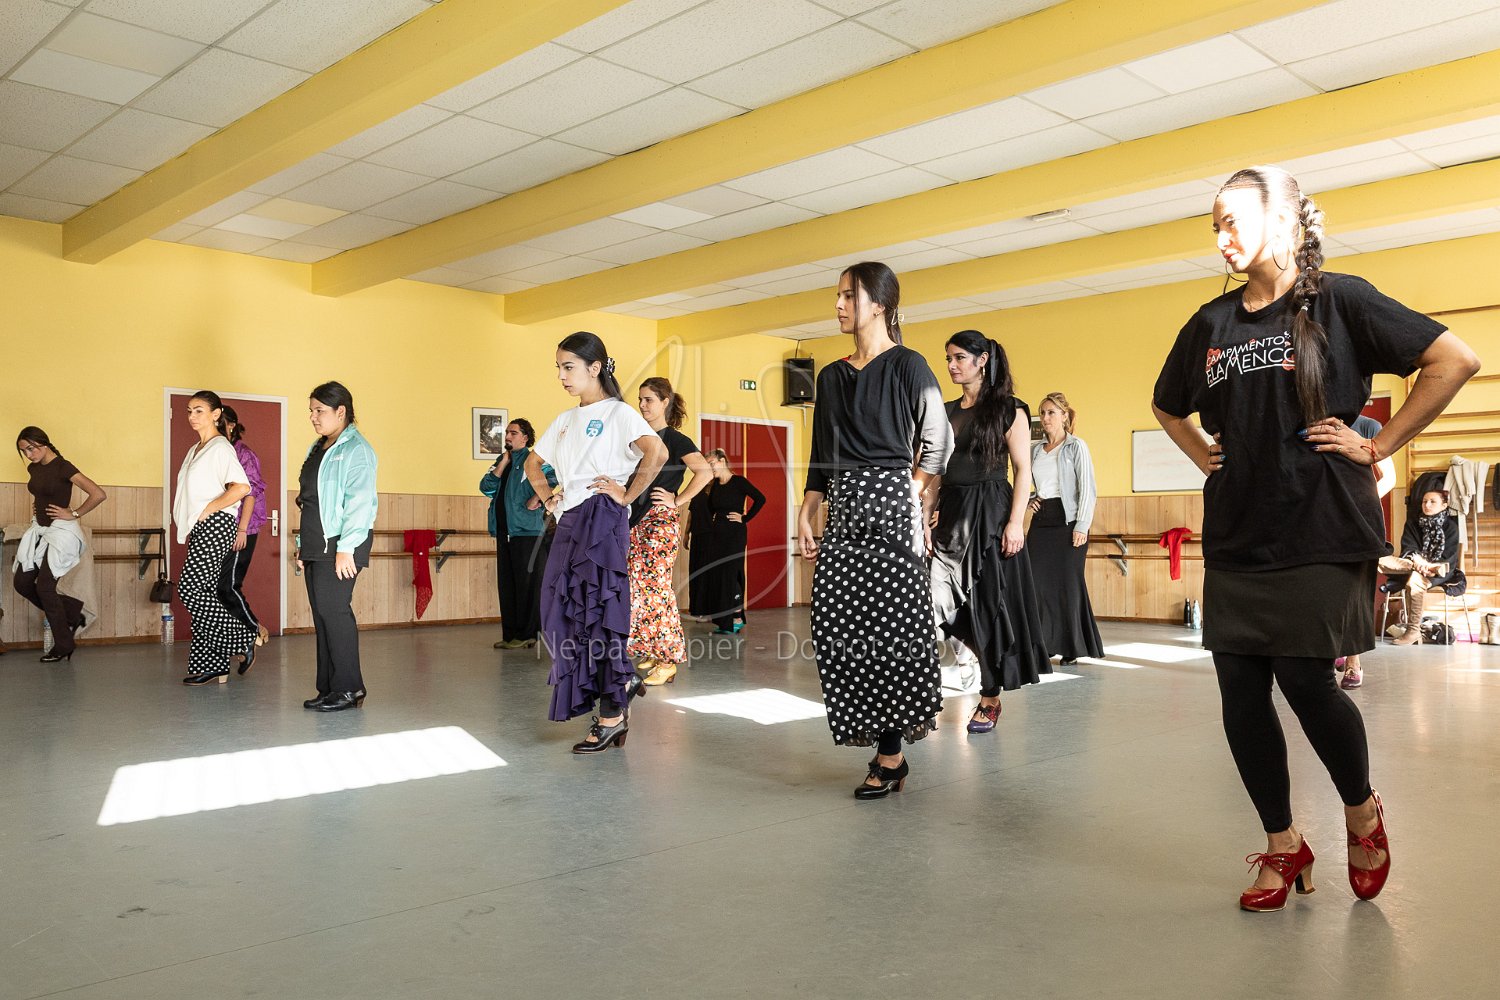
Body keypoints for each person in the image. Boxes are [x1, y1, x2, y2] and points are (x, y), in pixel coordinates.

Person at [1152, 164, 1479, 912]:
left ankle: (1360, 813)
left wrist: (1379, 443)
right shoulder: (1210, 324)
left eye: (1233, 221)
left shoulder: (1342, 301)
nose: (1221, 238)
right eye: (1214, 226)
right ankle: (1283, 844)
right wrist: (1203, 454)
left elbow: (1454, 359)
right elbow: (1169, 404)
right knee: (1241, 691)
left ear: (1284, 222)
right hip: (1239, 529)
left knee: (1306, 681)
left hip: (1322, 525)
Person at [796, 261, 952, 799]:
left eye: (849, 296)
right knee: (838, 626)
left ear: (880, 304)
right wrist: (807, 510)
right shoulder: (830, 376)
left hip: (892, 502)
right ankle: (883, 746)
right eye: (837, 296)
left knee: (892, 631)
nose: (839, 305)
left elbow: (938, 441)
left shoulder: (910, 365)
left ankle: (890, 755)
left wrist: (910, 492)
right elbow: (822, 454)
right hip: (843, 505)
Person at [527, 332, 666, 753]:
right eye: (558, 367)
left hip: (602, 517)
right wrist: (549, 499)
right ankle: (622, 681)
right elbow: (534, 463)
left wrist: (626, 495)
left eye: (568, 367)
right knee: (561, 614)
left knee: (601, 615)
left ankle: (611, 715)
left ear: (595, 368)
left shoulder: (620, 413)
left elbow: (656, 453)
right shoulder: (564, 420)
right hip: (570, 519)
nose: (561, 376)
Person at [925, 331, 1051, 735]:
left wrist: (1015, 522)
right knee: (933, 601)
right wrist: (926, 513)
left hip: (992, 513)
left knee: (986, 608)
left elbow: (1023, 470)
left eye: (959, 357)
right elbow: (936, 471)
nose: (951, 365)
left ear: (982, 360)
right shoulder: (945, 411)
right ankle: (929, 688)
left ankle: (990, 696)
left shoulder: (1010, 409)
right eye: (948, 359)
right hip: (951, 514)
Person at [296, 382, 378, 711]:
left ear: (340, 411)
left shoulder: (357, 449)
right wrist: (303, 545)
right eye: (311, 410)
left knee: (335, 611)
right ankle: (329, 688)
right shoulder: (318, 447)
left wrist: (347, 547)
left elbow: (360, 502)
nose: (313, 417)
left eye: (319, 410)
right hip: (317, 542)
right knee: (322, 615)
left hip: (342, 543)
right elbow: (310, 501)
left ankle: (349, 688)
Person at [171, 392, 259, 685]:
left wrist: (209, 509)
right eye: (189, 411)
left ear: (216, 414)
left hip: (215, 524)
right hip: (201, 527)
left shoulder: (221, 447)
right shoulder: (195, 449)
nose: (192, 416)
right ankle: (214, 665)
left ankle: (244, 638)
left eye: (199, 410)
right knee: (206, 592)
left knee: (190, 589)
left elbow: (242, 487)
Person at [630, 377, 711, 686]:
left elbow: (704, 471)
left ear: (665, 402)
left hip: (659, 522)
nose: (642, 405)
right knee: (640, 590)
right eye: (640, 399)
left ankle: (668, 660)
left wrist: (677, 500)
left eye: (648, 399)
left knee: (656, 590)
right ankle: (653, 650)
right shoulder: (639, 440)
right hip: (635, 522)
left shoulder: (676, 440)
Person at [12, 427, 106, 663]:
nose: (29, 455)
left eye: (31, 448)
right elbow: (42, 492)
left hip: (62, 532)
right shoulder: (34, 468)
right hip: (40, 530)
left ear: (43, 443)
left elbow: (98, 493)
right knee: (22, 583)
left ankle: (63, 645)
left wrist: (74, 513)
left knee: (45, 587)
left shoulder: (64, 467)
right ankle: (73, 612)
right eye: (24, 451)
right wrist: (39, 506)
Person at [1027, 392, 1103, 665]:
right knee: (1036, 583)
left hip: (1069, 522)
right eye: (1042, 412)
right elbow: (1029, 482)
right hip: (1041, 522)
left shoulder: (1075, 447)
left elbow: (1087, 488)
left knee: (1068, 585)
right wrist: (1029, 499)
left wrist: (1082, 525)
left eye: (1051, 412)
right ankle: (1045, 643)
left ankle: (1071, 646)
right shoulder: (1035, 450)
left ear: (1064, 416)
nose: (1045, 417)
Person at [1334, 413, 1395, 688]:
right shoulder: (1309, 420)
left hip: (1357, 518)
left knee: (1354, 589)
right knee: (1325, 588)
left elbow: (1389, 477)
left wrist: (1359, 501)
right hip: (1319, 516)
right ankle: (1333, 649)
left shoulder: (1368, 426)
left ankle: (1353, 661)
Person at [480, 419, 552, 650]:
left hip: (527, 532)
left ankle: (529, 634)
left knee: (528, 586)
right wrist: (502, 463)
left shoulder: (534, 460)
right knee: (507, 585)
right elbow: (486, 487)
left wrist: (538, 497)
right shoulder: (503, 461)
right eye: (507, 433)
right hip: (504, 532)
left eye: (513, 433)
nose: (508, 437)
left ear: (525, 437)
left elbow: (553, 478)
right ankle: (510, 634)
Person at [1380, 487, 1464, 646]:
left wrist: (1430, 567)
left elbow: (1449, 558)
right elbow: (1408, 547)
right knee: (1377, 559)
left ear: (1444, 505)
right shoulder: (1412, 523)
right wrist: (1418, 561)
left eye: (1432, 502)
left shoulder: (1451, 527)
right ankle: (1419, 566)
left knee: (1416, 581)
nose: (1427, 505)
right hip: (1412, 564)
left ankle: (1413, 631)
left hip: (1440, 570)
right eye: (1425, 501)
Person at [698, 448, 766, 635]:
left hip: (734, 535)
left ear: (722, 461)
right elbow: (710, 508)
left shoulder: (739, 482)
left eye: (711, 464)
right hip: (717, 535)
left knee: (731, 575)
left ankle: (736, 617)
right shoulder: (714, 486)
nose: (710, 468)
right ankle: (724, 621)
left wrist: (745, 518)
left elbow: (761, 499)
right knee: (719, 576)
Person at [217, 405, 269, 648]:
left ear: (231, 426)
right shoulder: (219, 451)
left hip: (242, 527)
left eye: (220, 423)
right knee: (217, 588)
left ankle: (254, 629)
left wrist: (242, 530)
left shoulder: (244, 454)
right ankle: (236, 638)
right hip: (222, 526)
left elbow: (251, 493)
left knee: (229, 585)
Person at [684, 488, 713, 621]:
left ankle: (710, 610)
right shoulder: (697, 493)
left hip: (712, 537)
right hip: (697, 536)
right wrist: (686, 534)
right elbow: (691, 516)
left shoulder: (718, 493)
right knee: (696, 572)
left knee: (709, 573)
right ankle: (697, 609)